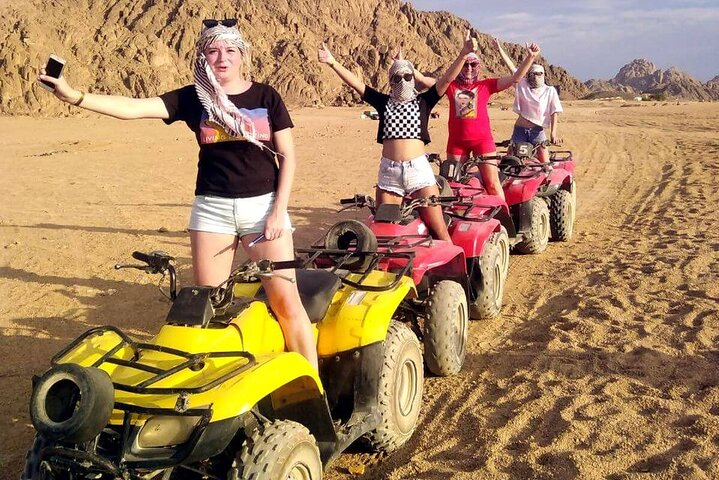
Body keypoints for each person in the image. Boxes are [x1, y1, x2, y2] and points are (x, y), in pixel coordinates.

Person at [37, 19, 319, 370]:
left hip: (262, 210)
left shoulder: (265, 97)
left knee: (286, 303)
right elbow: (134, 107)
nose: (222, 58)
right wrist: (74, 95)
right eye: (213, 50)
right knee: (207, 307)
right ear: (202, 56)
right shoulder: (194, 98)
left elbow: (287, 156)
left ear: (243, 55)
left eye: (230, 50)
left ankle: (312, 389)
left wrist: (279, 211)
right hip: (211, 211)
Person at [317, 31, 481, 242]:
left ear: (413, 78)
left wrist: (463, 54)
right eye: (397, 78)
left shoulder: (424, 101)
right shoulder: (383, 102)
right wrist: (332, 62)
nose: (402, 81)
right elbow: (356, 84)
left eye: (407, 77)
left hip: (419, 173)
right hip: (389, 175)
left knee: (439, 229)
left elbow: (447, 78)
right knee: (385, 233)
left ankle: (455, 272)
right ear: (390, 81)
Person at [415, 42, 541, 201]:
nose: (469, 68)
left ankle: (504, 221)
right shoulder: (450, 85)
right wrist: (403, 65)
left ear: (478, 66)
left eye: (473, 64)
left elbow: (516, 78)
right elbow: (422, 79)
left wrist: (530, 57)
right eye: (466, 64)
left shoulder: (486, 85)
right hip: (457, 144)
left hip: (483, 142)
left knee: (493, 185)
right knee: (453, 184)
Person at [493, 37, 563, 163]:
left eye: (539, 74)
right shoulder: (522, 84)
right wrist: (499, 49)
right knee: (508, 162)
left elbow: (554, 112)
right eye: (532, 74)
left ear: (543, 75)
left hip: (537, 132)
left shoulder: (549, 91)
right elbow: (511, 67)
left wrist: (553, 134)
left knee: (545, 164)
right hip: (519, 130)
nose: (535, 77)